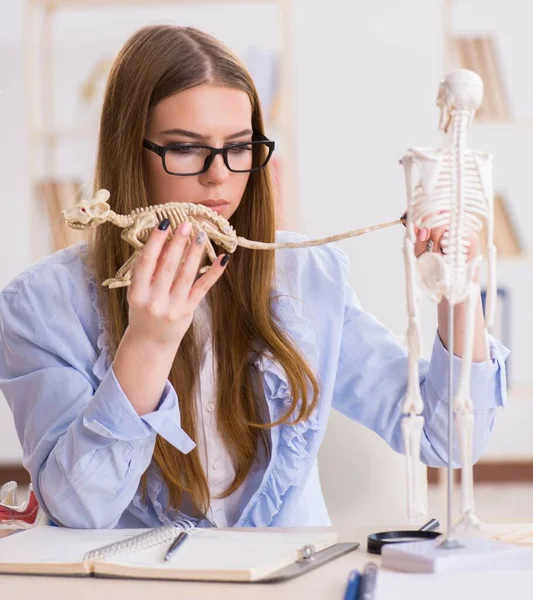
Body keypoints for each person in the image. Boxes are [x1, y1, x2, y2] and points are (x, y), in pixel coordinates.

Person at [0, 25, 508, 529]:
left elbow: (447, 437)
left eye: (239, 147)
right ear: (129, 151)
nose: (219, 174)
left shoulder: (308, 276)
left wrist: (457, 286)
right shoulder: (41, 304)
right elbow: (78, 511)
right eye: (184, 147)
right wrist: (149, 344)